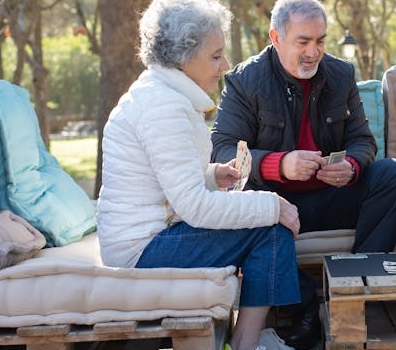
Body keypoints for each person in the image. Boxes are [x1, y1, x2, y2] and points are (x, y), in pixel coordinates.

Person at [95, 1, 301, 349]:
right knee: (271, 226)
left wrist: (209, 175)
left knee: (267, 223)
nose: (224, 65)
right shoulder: (162, 107)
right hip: (142, 249)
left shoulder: (161, 95)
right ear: (184, 57)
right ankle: (245, 344)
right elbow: (195, 208)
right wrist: (272, 205)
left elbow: (157, 180)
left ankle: (246, 340)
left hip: (148, 235)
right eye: (216, 56)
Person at [210, 0, 396, 348]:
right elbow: (223, 151)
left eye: (320, 41)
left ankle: (358, 288)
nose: (313, 52)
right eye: (303, 41)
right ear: (276, 37)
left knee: (394, 175)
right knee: (251, 216)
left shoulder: (341, 74)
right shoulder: (245, 81)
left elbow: (363, 141)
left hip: (332, 196)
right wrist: (278, 164)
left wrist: (350, 167)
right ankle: (305, 309)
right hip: (277, 205)